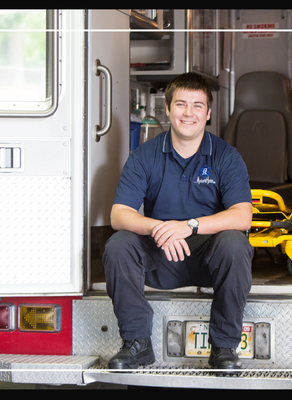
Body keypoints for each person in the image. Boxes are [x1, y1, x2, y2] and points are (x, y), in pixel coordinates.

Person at [103, 72, 254, 371]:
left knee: (236, 242)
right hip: (161, 256)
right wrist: (158, 228)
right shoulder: (144, 156)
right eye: (181, 104)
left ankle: (223, 348)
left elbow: (242, 215)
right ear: (168, 109)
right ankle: (136, 345)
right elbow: (119, 214)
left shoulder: (226, 156)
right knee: (118, 245)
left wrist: (189, 225)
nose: (189, 113)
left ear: (208, 113)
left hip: (210, 260)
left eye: (198, 105)